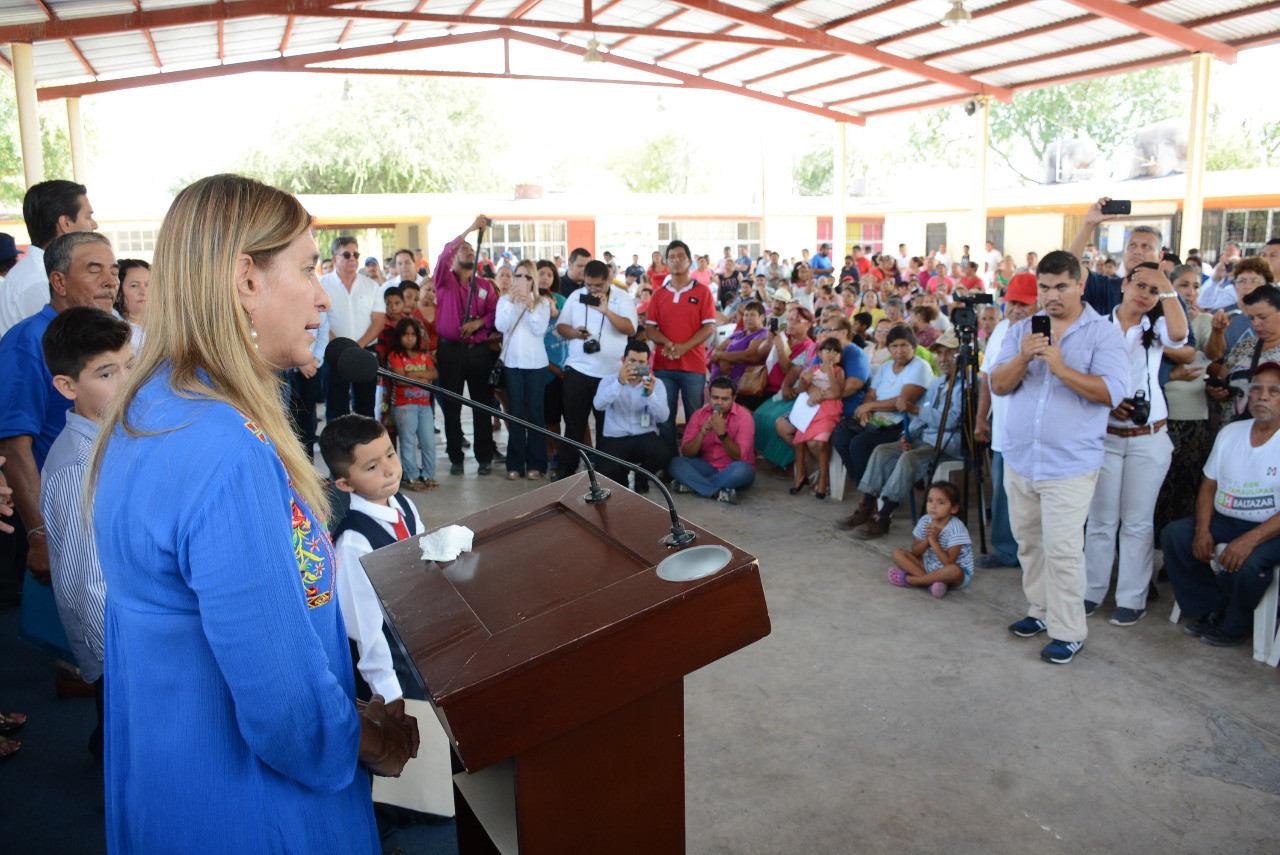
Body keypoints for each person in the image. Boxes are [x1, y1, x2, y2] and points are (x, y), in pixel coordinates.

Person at [87, 174, 418, 853]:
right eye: (307, 267)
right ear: (245, 279)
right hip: (251, 805)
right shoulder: (224, 446)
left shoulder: (150, 408)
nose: (323, 296)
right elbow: (284, 709)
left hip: (174, 777)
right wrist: (366, 737)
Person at [990, 250, 1128, 665]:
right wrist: (1022, 357)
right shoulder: (1023, 331)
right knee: (1029, 543)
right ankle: (1041, 611)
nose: (1052, 296)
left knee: (1064, 549)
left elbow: (1111, 393)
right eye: (1045, 287)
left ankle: (1069, 632)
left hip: (1068, 464)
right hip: (1021, 458)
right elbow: (998, 384)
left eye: (1061, 287)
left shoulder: (1103, 333)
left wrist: (1060, 367)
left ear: (1081, 285)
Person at [0, 232, 118, 600]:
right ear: (59, 282)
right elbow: (14, 447)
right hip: (66, 522)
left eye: (113, 270)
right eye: (94, 270)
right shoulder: (28, 341)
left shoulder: (112, 336)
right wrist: (39, 535)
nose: (110, 281)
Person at [39, 306, 133, 763]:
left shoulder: (117, 433)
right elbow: (82, 588)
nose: (127, 381)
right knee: (130, 752)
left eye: (131, 365)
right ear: (67, 386)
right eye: (107, 373)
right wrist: (125, 663)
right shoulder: (77, 468)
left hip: (139, 633)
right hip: (124, 651)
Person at [1082, 262, 1189, 625]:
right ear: (1124, 285)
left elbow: (1180, 332)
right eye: (1140, 285)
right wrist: (1110, 400)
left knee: (1138, 523)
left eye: (1153, 290)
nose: (1145, 294)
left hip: (1149, 437)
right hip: (1106, 436)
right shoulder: (1096, 324)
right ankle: (1091, 591)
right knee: (1100, 520)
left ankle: (1132, 598)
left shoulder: (1156, 327)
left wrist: (1168, 287)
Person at [1163, 363, 1280, 648]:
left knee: (1252, 564)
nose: (1262, 396)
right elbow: (1209, 485)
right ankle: (1212, 606)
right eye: (1256, 390)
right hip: (1228, 519)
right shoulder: (1231, 433)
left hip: (1271, 527)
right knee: (1176, 535)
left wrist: (1248, 540)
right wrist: (1203, 529)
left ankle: (1235, 623)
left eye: (1274, 391)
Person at [321, 414, 426, 705]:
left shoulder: (404, 505)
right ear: (344, 484)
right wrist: (392, 700)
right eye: (372, 467)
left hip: (418, 646)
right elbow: (365, 636)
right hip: (394, 671)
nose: (390, 470)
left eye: (390, 454)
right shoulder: (354, 543)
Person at [846, 332, 963, 539]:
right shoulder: (938, 383)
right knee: (882, 451)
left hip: (947, 444)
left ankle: (884, 515)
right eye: (940, 354)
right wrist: (904, 435)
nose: (943, 359)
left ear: (961, 355)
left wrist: (914, 410)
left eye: (950, 354)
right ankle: (867, 506)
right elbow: (921, 414)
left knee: (909, 458)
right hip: (925, 438)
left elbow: (951, 421)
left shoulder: (967, 384)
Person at [974, 272, 1037, 569]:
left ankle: (1034, 557)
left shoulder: (1044, 333)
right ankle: (1005, 551)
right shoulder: (1000, 330)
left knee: (1032, 499)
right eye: (1012, 302)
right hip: (1001, 431)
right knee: (1002, 493)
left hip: (1034, 435)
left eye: (1024, 303)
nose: (1016, 309)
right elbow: (986, 377)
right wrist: (981, 418)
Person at [831, 323, 931, 507]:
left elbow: (902, 401)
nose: (898, 351)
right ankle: (865, 485)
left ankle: (871, 496)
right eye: (894, 346)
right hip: (877, 418)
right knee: (840, 436)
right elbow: (871, 393)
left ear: (913, 347)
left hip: (903, 423)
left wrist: (869, 406)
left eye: (904, 345)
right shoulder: (886, 367)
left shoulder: (920, 367)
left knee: (859, 444)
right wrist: (865, 411)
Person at [556, 259, 638, 478]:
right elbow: (561, 327)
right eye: (588, 285)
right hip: (578, 372)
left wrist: (606, 311)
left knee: (608, 430)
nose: (592, 290)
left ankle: (607, 475)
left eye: (598, 286)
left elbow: (630, 328)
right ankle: (567, 473)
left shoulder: (621, 297)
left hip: (611, 376)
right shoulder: (575, 297)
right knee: (573, 427)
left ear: (608, 280)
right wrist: (575, 333)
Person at [434, 215, 499, 475]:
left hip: (479, 351)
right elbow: (443, 255)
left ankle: (484, 457)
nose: (469, 251)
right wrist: (471, 230)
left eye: (472, 249)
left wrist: (480, 322)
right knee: (452, 406)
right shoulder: (444, 279)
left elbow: (496, 313)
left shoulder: (484, 285)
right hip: (450, 350)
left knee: (482, 405)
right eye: (464, 248)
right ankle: (456, 458)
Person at [0, 180, 98, 336]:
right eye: (88, 217)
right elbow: (66, 344)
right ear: (65, 223)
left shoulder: (39, 272)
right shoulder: (38, 281)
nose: (94, 225)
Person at [647, 240, 716, 451]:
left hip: (693, 366)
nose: (676, 261)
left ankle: (692, 462)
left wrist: (684, 348)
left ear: (689, 261)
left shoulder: (703, 292)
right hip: (663, 365)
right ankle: (669, 464)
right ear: (666, 262)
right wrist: (668, 343)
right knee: (665, 417)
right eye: (672, 257)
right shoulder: (658, 294)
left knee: (694, 416)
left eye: (681, 256)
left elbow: (709, 328)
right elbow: (650, 329)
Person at [496, 259, 552, 480]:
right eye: (517, 275)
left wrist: (530, 305)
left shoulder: (543, 303)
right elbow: (500, 326)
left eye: (527, 277)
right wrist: (511, 301)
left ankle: (537, 463)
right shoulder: (503, 301)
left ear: (533, 281)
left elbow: (539, 330)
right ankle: (515, 463)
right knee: (516, 413)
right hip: (512, 365)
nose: (521, 280)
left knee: (536, 414)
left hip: (536, 365)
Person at [592, 340, 672, 492]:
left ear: (647, 363)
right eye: (632, 361)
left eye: (641, 362)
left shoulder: (656, 384)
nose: (636, 365)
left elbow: (664, 417)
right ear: (623, 360)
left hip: (644, 435)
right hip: (616, 437)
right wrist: (619, 384)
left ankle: (642, 477)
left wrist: (651, 396)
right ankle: (622, 478)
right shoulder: (609, 380)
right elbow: (598, 405)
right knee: (606, 470)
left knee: (664, 454)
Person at [321, 235, 384, 418]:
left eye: (356, 254)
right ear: (334, 259)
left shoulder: (371, 286)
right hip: (333, 356)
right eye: (346, 254)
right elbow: (319, 321)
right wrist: (341, 348)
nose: (353, 259)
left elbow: (379, 321)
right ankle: (337, 448)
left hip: (364, 354)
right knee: (335, 409)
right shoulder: (321, 285)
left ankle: (364, 447)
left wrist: (357, 348)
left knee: (365, 410)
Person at [669, 376, 755, 503]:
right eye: (715, 398)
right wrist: (702, 433)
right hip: (707, 466)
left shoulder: (744, 417)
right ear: (708, 396)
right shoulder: (699, 415)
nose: (719, 403)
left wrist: (722, 434)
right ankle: (717, 491)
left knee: (742, 470)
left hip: (733, 468)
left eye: (725, 399)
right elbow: (686, 452)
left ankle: (693, 485)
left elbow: (739, 457)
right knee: (675, 463)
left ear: (734, 398)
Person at [753, 307, 818, 470]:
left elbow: (788, 369)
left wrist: (781, 348)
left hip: (793, 393)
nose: (791, 323)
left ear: (809, 325)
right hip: (773, 388)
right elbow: (759, 354)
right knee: (759, 415)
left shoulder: (809, 346)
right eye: (789, 319)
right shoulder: (783, 337)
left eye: (797, 320)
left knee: (777, 420)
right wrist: (769, 341)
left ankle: (786, 464)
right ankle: (768, 456)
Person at [781, 336, 845, 499]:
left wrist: (830, 372)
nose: (831, 354)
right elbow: (802, 389)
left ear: (840, 357)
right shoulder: (814, 369)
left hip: (828, 410)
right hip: (810, 409)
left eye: (836, 352)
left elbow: (837, 392)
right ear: (820, 353)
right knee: (799, 442)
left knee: (822, 443)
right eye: (828, 350)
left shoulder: (839, 371)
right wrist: (804, 380)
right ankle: (799, 478)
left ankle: (823, 481)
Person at [887, 481, 974, 599]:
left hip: (953, 573)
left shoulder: (956, 528)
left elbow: (949, 563)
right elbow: (916, 552)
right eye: (930, 500)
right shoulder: (925, 520)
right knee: (898, 553)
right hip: (930, 565)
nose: (933, 506)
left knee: (954, 570)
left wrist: (933, 541)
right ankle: (931, 583)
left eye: (941, 502)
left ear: (954, 508)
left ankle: (912, 580)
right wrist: (927, 540)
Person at [1210, 283, 1280, 425]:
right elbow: (1223, 379)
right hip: (1235, 430)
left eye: (1263, 317)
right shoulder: (1244, 346)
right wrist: (1220, 393)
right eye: (1252, 318)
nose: (1256, 324)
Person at [386, 316, 438, 491]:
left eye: (413, 334)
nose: (410, 338)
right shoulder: (395, 355)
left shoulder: (423, 355)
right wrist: (422, 376)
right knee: (407, 442)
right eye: (405, 334)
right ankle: (412, 477)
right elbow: (401, 380)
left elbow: (434, 374)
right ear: (399, 336)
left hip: (425, 406)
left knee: (428, 442)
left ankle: (429, 475)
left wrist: (412, 376)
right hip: (404, 407)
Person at [708, 300, 771, 408]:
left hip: (741, 388)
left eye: (752, 315)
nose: (748, 318)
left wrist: (722, 356)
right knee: (715, 412)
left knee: (730, 417)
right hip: (718, 384)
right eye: (746, 315)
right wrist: (723, 361)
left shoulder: (763, 335)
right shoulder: (738, 334)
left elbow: (750, 356)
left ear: (762, 317)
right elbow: (716, 352)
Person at [112, 258, 149, 352]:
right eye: (134, 286)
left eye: (148, 285)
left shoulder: (164, 322)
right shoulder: (114, 328)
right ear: (118, 292)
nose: (143, 291)